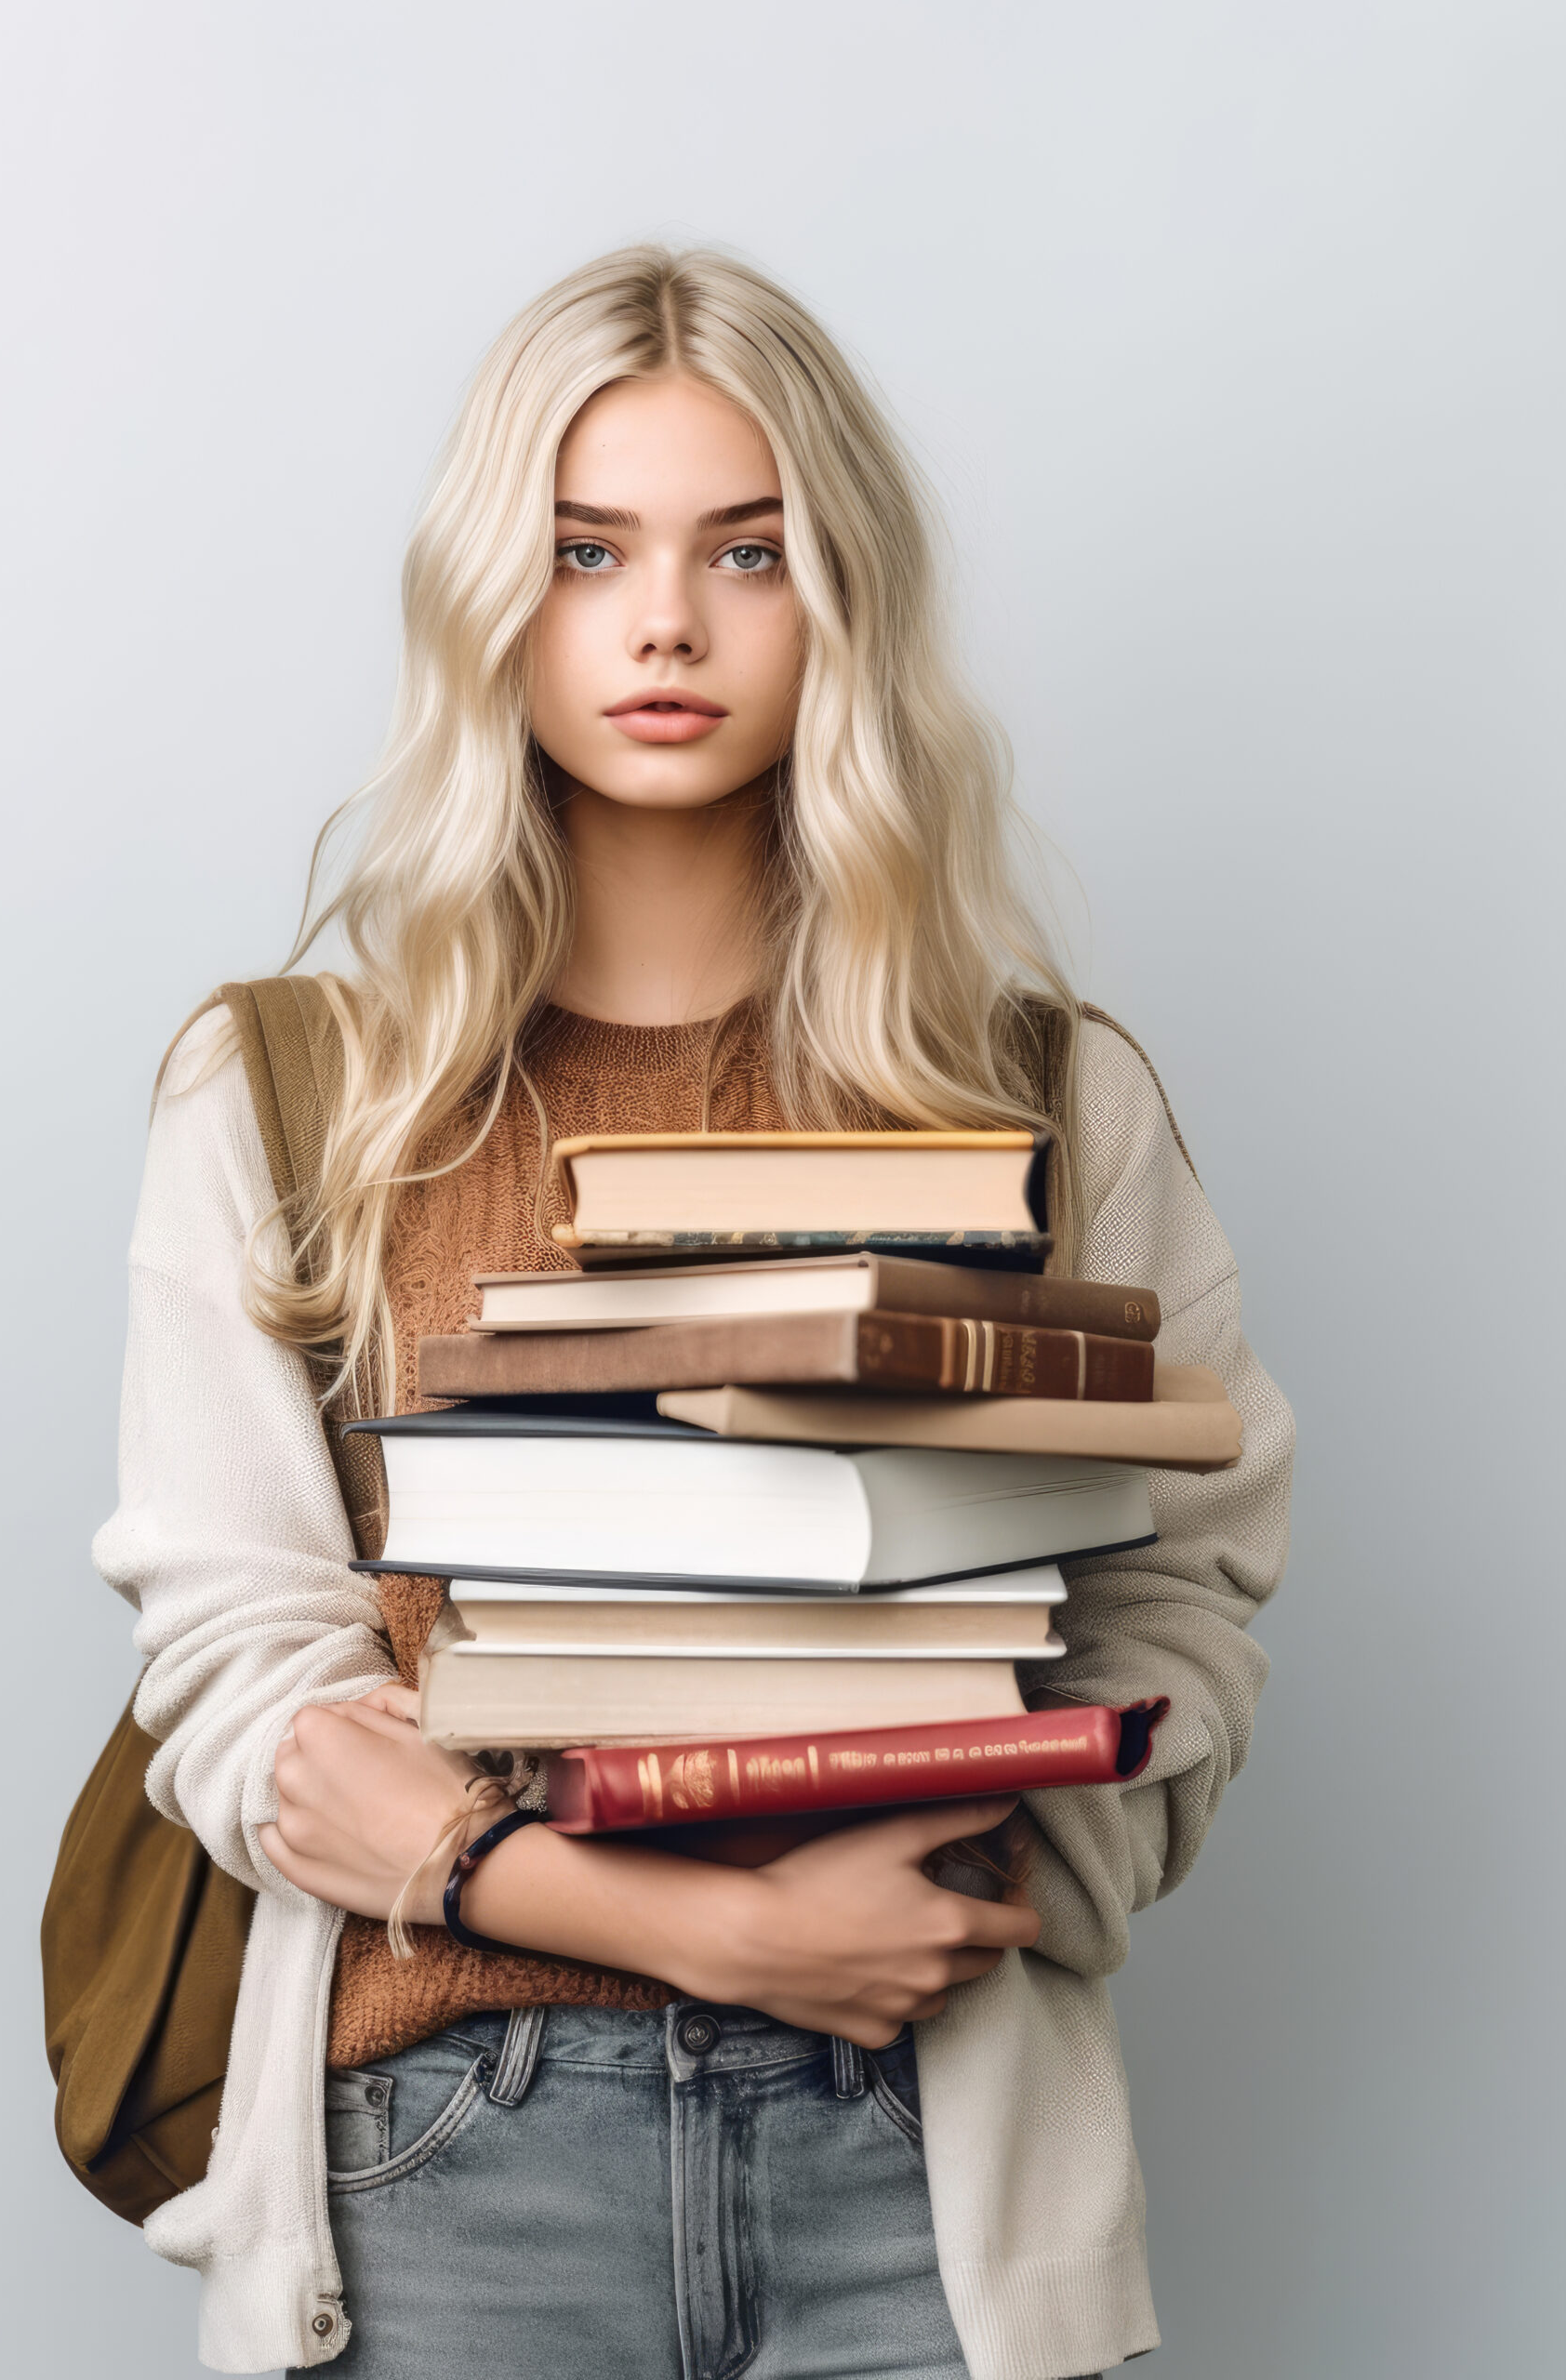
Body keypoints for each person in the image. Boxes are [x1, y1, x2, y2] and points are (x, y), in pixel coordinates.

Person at [93, 246, 1294, 2380]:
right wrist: (715, 1925)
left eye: (748, 548)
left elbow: (1182, 1593)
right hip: (451, 2157)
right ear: (498, 597)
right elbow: (244, 1675)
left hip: (920, 2153)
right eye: (586, 552)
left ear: (841, 595)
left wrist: (995, 1880)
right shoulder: (294, 1091)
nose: (666, 621)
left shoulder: (1035, 1089)